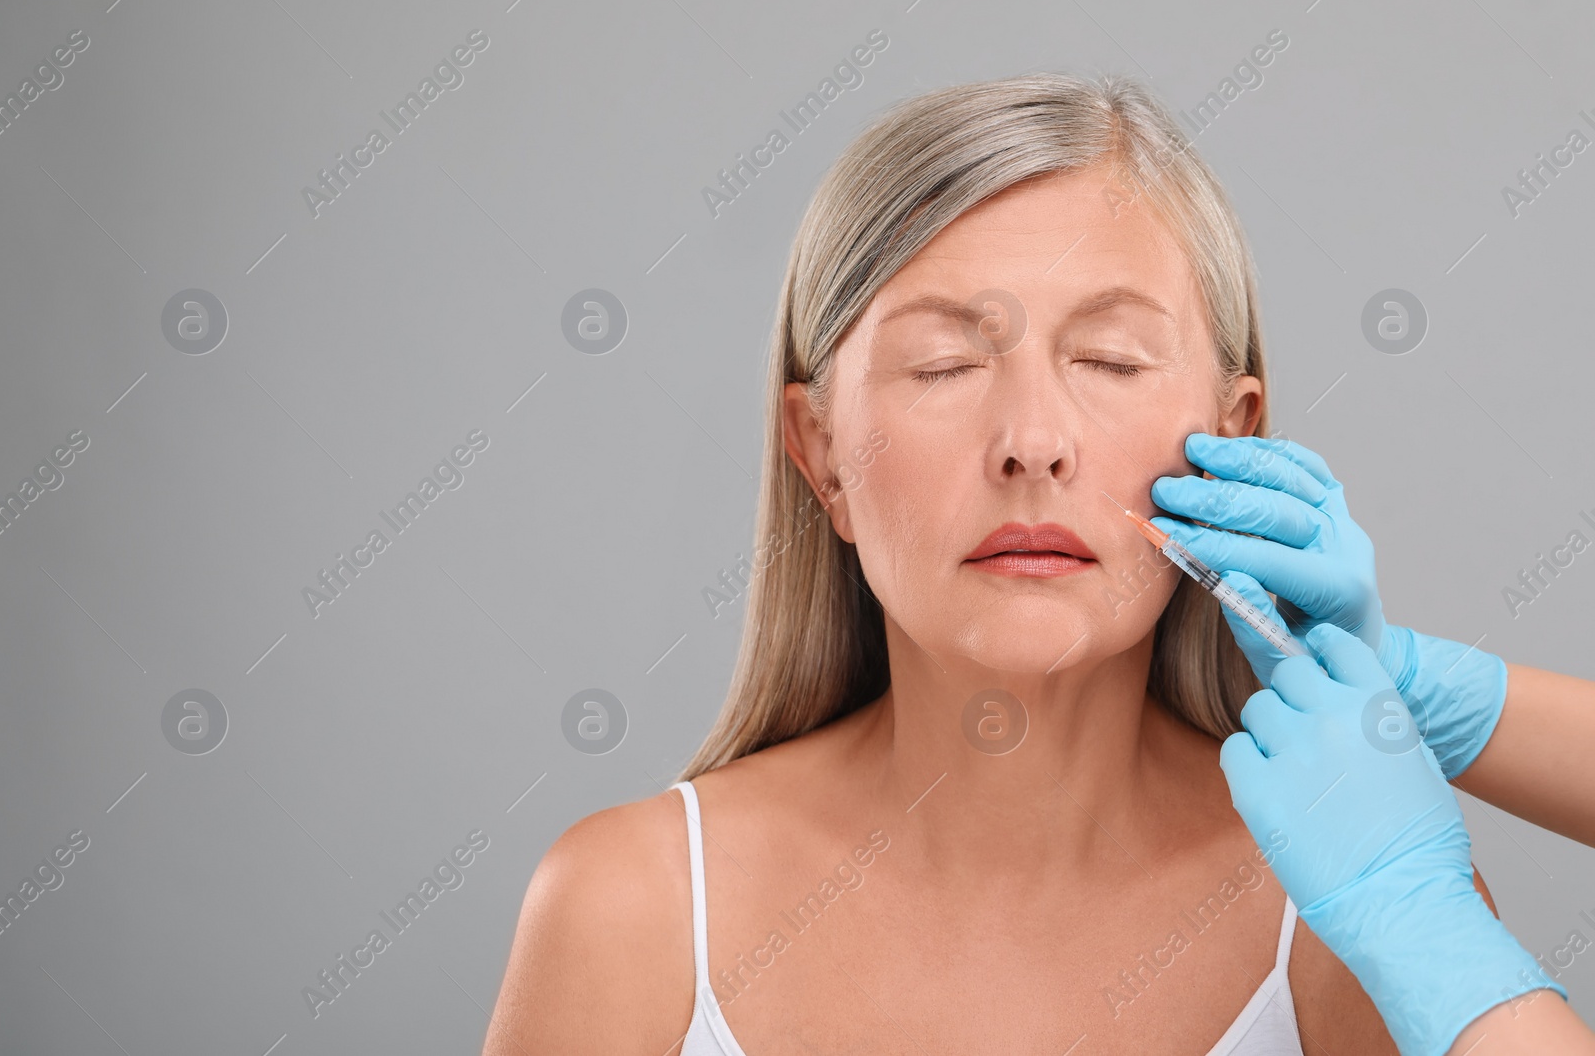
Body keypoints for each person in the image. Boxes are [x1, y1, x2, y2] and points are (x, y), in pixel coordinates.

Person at [485, 72, 1476, 1055]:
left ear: (1233, 435)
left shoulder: (1367, 911)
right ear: (821, 453)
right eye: (942, 367)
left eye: (1112, 360)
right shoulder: (627, 914)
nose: (1032, 441)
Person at [1146, 433, 1595, 1053]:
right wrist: (1404, 674)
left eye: (1111, 362)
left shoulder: (1307, 932)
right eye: (957, 365)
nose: (1035, 446)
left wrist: (1412, 911)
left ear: (1231, 420)